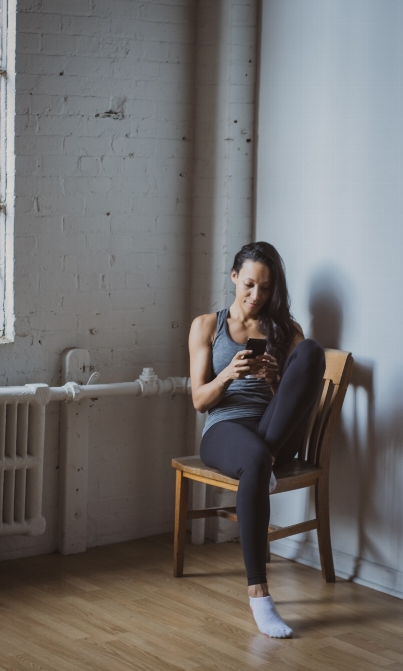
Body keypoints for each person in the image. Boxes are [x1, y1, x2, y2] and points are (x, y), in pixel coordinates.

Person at [189, 242, 325, 638]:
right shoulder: (206, 326)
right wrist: (227, 374)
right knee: (253, 457)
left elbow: (298, 396)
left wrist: (273, 380)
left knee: (312, 351)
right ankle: (259, 595)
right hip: (224, 431)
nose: (256, 296)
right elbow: (199, 400)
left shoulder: (286, 329)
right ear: (234, 277)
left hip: (274, 431)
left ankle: (259, 469)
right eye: (249, 285)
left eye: (265, 288)